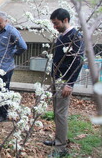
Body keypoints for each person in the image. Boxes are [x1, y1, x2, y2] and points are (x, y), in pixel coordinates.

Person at [44, 8, 84, 157]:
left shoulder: (75, 37)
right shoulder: (62, 36)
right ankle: (58, 139)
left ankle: (61, 148)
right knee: (56, 111)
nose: (54, 26)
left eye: (56, 23)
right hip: (57, 78)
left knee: (61, 113)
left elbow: (77, 62)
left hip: (65, 80)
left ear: (65, 20)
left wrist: (70, 84)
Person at [0, 11, 27, 122]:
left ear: (6, 21)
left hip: (6, 66)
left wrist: (13, 53)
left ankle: (4, 113)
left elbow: (23, 46)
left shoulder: (12, 32)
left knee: (3, 90)